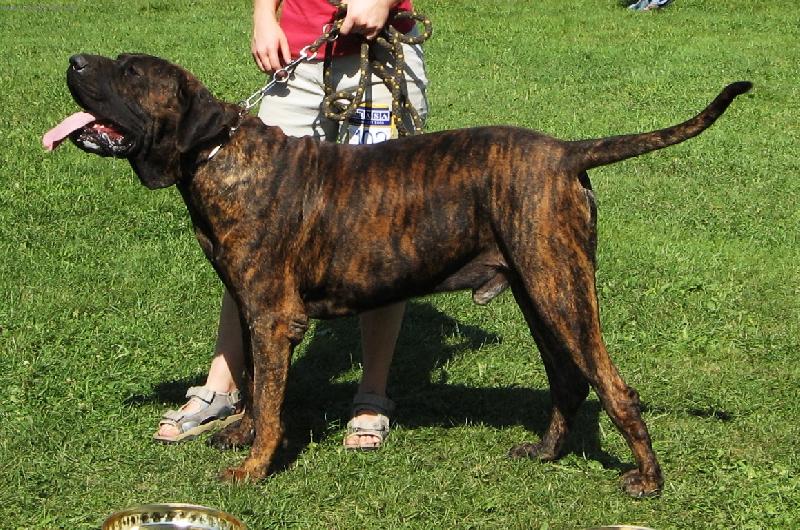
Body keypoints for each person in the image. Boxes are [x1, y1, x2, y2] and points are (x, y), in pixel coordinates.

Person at [154, 0, 428, 451]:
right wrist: (264, 16)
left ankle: (372, 395)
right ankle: (223, 385)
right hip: (298, 51)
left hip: (381, 50)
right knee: (252, 228)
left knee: (381, 228)